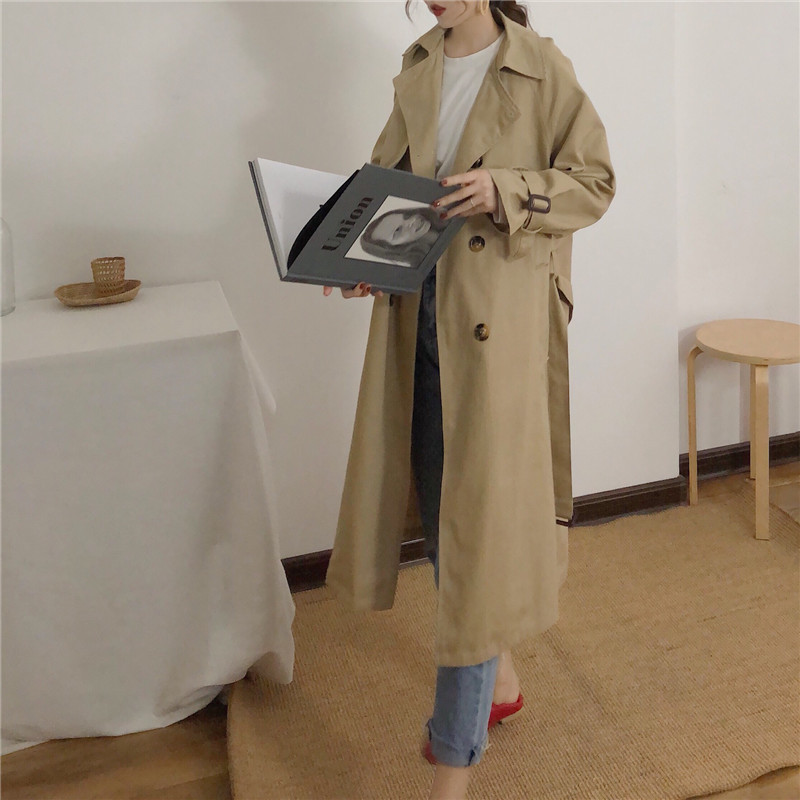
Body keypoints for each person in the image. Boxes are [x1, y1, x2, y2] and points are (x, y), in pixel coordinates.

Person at [323, 2, 615, 798]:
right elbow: (389, 190)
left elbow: (595, 183)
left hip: (498, 335)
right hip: (419, 321)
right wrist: (357, 258)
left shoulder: (540, 67)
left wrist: (504, 190)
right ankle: (502, 678)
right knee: (447, 518)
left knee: (478, 538)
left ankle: (452, 769)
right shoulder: (420, 64)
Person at [359, 205, 448, 267]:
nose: (412, 220)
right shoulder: (428, 272)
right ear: (396, 249)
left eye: (406, 216)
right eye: (398, 230)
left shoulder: (446, 210)